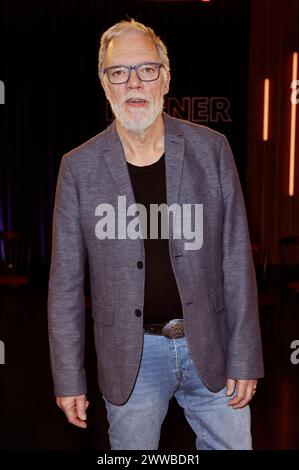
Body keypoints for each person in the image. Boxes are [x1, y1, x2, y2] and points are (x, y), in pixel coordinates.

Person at [48, 19, 264, 450]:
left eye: (146, 69)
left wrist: (245, 356)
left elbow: (236, 260)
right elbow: (65, 287)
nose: (133, 82)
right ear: (104, 84)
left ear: (165, 78)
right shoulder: (78, 167)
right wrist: (69, 377)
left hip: (213, 347)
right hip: (132, 359)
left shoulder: (213, 149)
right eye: (118, 71)